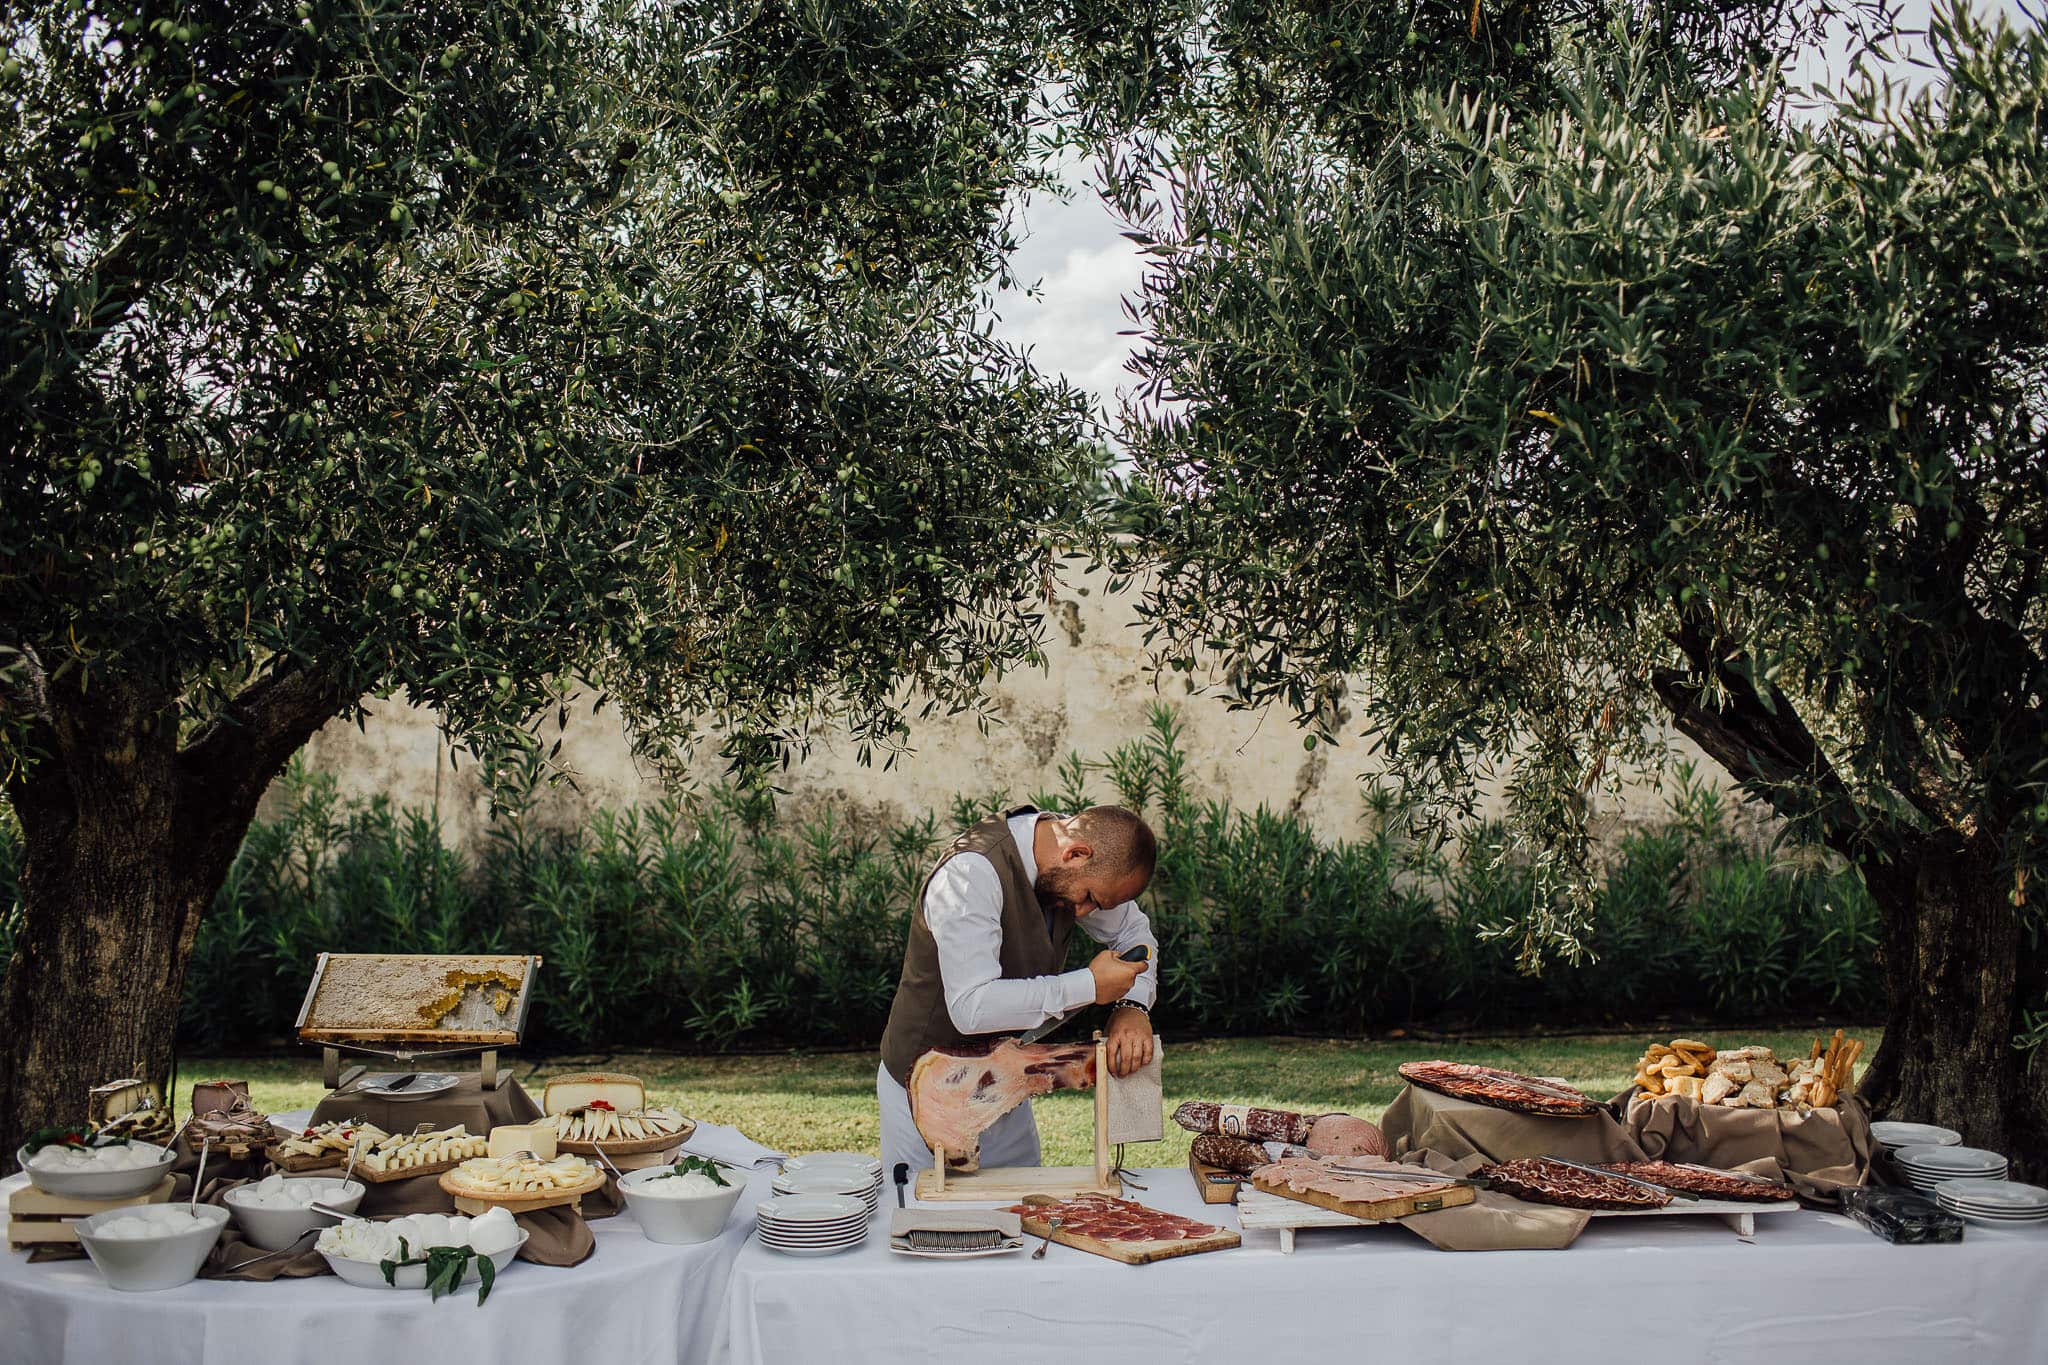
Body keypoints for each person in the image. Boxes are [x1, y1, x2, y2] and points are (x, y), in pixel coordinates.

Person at [877, 804, 1159, 1174]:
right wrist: (1089, 986)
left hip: (1008, 1086)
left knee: (1019, 1221)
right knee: (930, 1225)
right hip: (925, 1096)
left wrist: (1132, 1006)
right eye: (1089, 896)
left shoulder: (1072, 861)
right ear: (1075, 853)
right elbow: (971, 1008)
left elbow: (1135, 933)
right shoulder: (969, 874)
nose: (1084, 913)